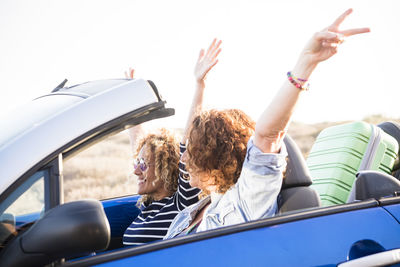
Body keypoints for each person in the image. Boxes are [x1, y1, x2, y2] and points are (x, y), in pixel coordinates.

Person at [164, 8, 370, 238]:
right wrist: (199, 85)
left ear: (212, 155)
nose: (182, 157)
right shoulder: (199, 206)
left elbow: (267, 135)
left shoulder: (247, 198)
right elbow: (190, 137)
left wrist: (306, 63)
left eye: (191, 151)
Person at [122, 39, 222, 246]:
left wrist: (199, 85)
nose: (136, 171)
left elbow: (188, 141)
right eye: (136, 164)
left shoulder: (180, 203)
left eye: (142, 165)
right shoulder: (148, 206)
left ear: (164, 168)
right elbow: (137, 143)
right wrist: (131, 102)